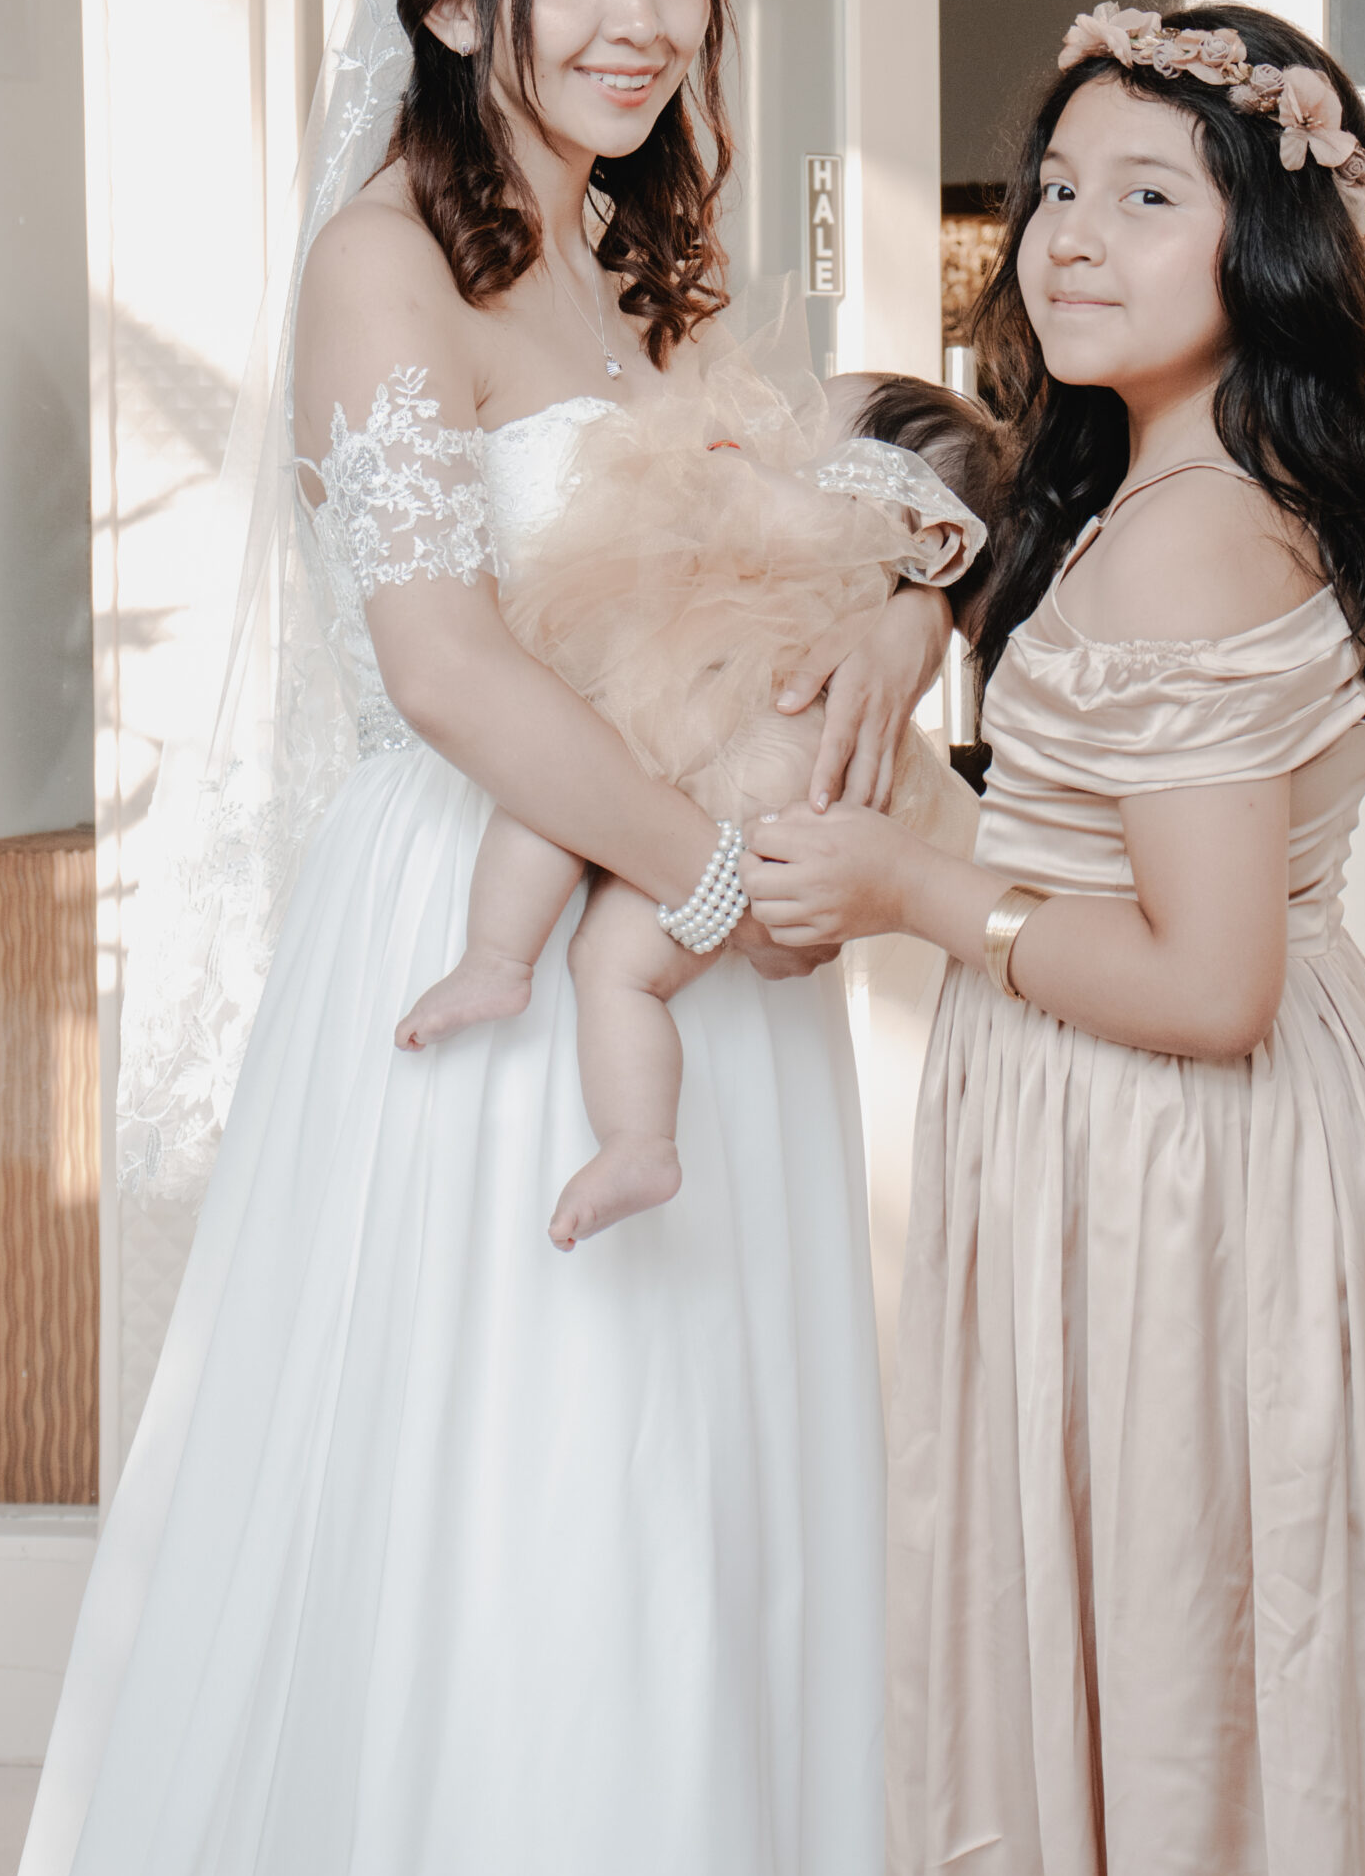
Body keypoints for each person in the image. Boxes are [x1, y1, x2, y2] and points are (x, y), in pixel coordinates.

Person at [14, 0, 948, 1876]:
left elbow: (787, 532)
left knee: (702, 1481)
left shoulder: (629, 266)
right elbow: (442, 662)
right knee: (544, 1483)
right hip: (493, 913)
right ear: (451, 1)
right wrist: (707, 877)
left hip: (686, 941)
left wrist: (908, 610)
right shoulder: (380, 262)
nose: (643, 15)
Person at [745, 2, 1365, 1876]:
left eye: (1145, 198)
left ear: (1264, 250)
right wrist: (919, 597)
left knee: (1184, 1629)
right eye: (1056, 188)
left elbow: (1207, 989)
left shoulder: (1182, 540)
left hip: (1168, 1159)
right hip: (1242, 1133)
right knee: (1258, 1630)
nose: (1068, 238)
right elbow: (990, 493)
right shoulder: (1198, 482)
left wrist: (906, 887)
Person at [395, 359, 1003, 1250]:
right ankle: (637, 1140)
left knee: (554, 791)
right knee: (614, 961)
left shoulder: (837, 543)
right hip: (758, 765)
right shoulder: (872, 564)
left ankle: (501, 962)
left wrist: (731, 468)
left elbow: (785, 518)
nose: (779, 441)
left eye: (811, 440)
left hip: (751, 735)